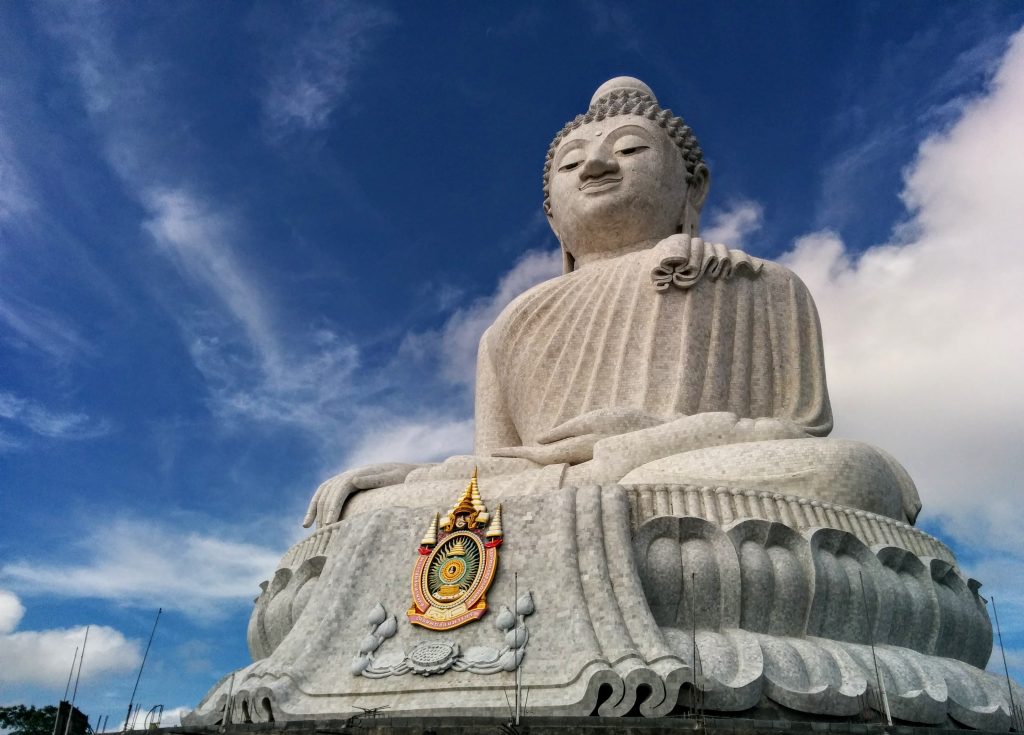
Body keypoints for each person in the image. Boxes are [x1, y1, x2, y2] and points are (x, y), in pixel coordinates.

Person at [304, 77, 919, 530]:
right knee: (365, 513)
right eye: (572, 163)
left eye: (629, 150)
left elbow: (795, 431)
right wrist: (424, 478)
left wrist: (647, 440)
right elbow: (501, 468)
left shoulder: (759, 284)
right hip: (542, 489)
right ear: (551, 214)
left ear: (691, 186)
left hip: (670, 473)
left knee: (849, 474)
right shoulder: (510, 325)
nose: (596, 164)